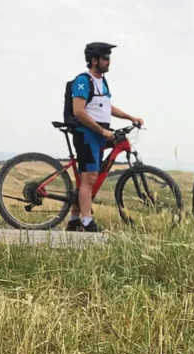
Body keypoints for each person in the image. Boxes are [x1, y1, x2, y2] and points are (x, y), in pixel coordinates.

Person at [67, 42, 144, 232]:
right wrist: (101, 131)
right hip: (86, 133)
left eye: (109, 58)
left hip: (99, 134)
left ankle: (74, 219)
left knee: (88, 177)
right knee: (89, 178)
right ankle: (87, 221)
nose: (109, 62)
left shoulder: (102, 82)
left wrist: (130, 117)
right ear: (94, 61)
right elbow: (78, 111)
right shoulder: (83, 81)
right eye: (105, 58)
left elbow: (107, 107)